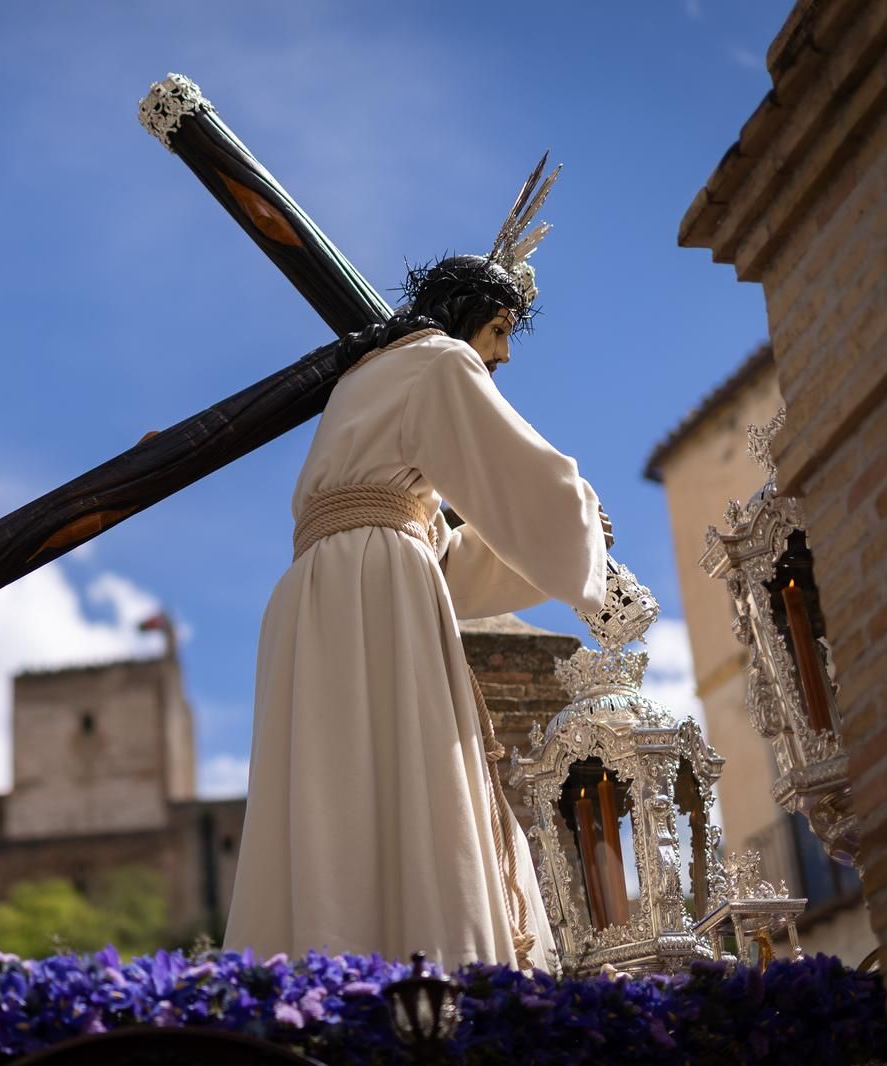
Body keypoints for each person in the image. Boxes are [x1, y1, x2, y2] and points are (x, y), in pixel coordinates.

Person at [223, 160, 610, 971]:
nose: (500, 357)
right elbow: (526, 478)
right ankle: (427, 980)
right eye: (501, 333)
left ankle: (330, 971)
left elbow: (437, 553)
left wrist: (543, 557)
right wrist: (585, 524)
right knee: (407, 785)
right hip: (377, 586)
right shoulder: (440, 360)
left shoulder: (364, 384)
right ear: (475, 317)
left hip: (322, 590)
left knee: (331, 791)